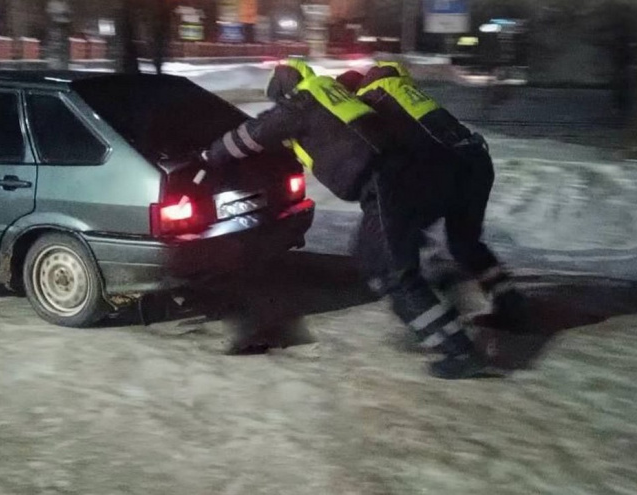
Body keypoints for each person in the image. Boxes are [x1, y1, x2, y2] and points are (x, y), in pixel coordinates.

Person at [201, 59, 491, 379]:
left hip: (385, 184)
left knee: (387, 269)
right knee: (385, 256)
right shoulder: (331, 92)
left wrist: (207, 156)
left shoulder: (301, 101)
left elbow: (250, 135)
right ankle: (444, 317)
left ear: (283, 91)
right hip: (401, 178)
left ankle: (457, 348)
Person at [352, 61, 526, 331]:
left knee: (400, 236)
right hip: (476, 162)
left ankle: (440, 311)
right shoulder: (407, 92)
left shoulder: (374, 98)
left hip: (441, 170)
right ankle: (510, 302)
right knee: (464, 243)